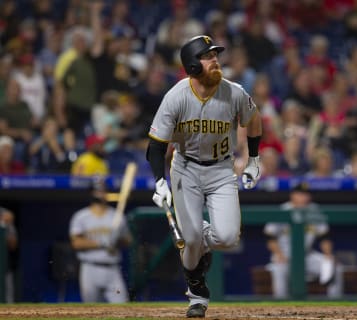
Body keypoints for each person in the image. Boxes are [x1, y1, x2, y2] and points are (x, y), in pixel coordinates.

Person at [146, 35, 262, 318]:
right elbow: (156, 146)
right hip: (185, 168)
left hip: (222, 169)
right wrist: (159, 181)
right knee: (193, 237)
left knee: (226, 238)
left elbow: (254, 120)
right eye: (208, 57)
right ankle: (197, 293)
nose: (215, 61)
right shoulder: (176, 96)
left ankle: (197, 244)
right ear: (192, 65)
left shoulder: (233, 92)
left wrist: (254, 159)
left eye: (215, 56)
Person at [264, 183, 343, 299]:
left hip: (307, 256)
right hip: (285, 256)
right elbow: (270, 237)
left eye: (306, 195)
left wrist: (328, 255)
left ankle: (336, 304)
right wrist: (279, 254)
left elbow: (324, 237)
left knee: (335, 267)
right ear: (292, 196)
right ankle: (279, 306)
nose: (303, 197)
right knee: (278, 269)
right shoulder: (283, 210)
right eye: (300, 194)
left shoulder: (314, 210)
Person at [69, 177, 132, 303]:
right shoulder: (81, 216)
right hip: (90, 267)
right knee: (91, 310)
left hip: (112, 268)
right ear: (91, 192)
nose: (100, 193)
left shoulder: (116, 216)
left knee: (123, 308)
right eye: (97, 190)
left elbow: (128, 241)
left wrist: (116, 239)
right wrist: (102, 243)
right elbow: (76, 243)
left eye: (103, 190)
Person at [0, 206, 18, 303]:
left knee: (7, 296)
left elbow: (13, 244)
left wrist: (3, 224)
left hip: (5, 265)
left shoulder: (5, 215)